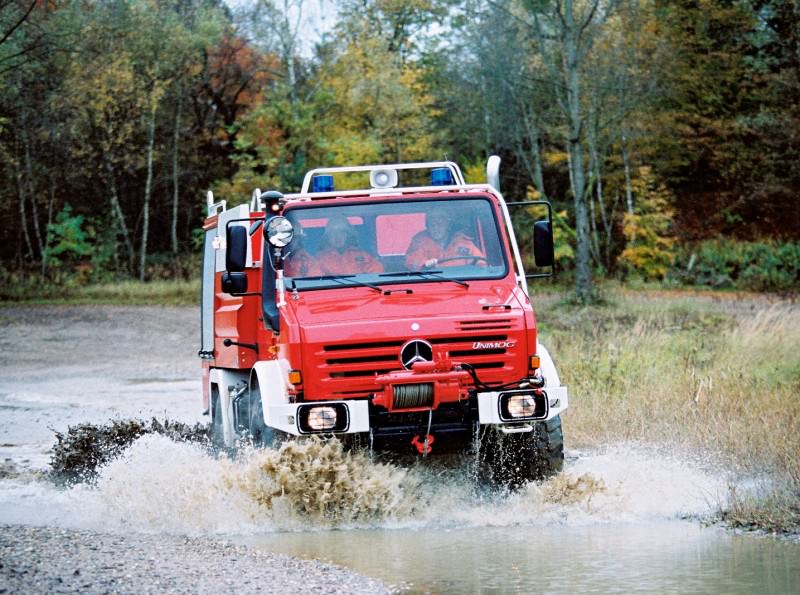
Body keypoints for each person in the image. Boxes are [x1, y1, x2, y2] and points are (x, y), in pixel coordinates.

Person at [404, 207, 485, 269]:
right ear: (427, 226)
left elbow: (481, 264)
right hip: (430, 283)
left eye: (440, 224)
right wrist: (424, 264)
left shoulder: (464, 242)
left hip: (460, 284)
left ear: (448, 225)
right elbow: (411, 261)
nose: (436, 228)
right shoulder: (419, 242)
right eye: (432, 225)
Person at [316, 214, 383, 275]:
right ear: (327, 238)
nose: (337, 236)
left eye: (342, 232)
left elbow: (377, 273)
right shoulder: (320, 259)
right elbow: (316, 279)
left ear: (348, 235)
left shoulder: (363, 256)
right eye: (332, 233)